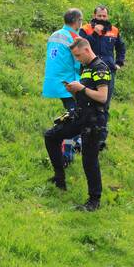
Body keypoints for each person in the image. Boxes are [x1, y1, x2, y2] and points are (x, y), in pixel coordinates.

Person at [44, 38, 111, 212]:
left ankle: (94, 200)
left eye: (78, 55)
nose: (77, 59)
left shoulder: (100, 68)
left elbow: (102, 97)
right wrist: (74, 92)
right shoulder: (85, 67)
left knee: (89, 160)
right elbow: (85, 95)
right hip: (80, 115)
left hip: (94, 120)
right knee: (51, 136)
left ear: (87, 50)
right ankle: (60, 180)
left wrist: (81, 88)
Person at [42, 8, 84, 165]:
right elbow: (79, 62)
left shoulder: (54, 34)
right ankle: (66, 154)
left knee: (72, 114)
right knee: (73, 118)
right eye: (81, 21)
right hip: (69, 83)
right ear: (76, 21)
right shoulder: (74, 37)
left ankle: (75, 143)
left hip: (54, 81)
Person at [80, 4, 126, 145]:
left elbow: (121, 47)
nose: (102, 18)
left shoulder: (114, 30)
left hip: (108, 72)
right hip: (89, 71)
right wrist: (95, 33)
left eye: (104, 16)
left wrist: (119, 62)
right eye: (99, 16)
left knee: (104, 104)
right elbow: (83, 46)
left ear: (107, 17)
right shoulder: (85, 29)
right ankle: (84, 136)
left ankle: (101, 139)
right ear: (94, 16)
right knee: (85, 102)